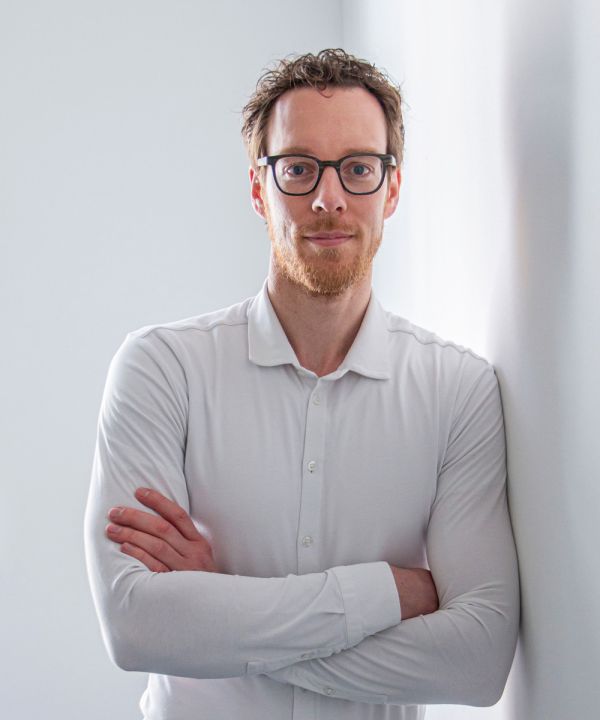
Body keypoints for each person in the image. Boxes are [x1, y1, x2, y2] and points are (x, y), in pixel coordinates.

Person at [84, 48, 520, 720]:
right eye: (297, 168)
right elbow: (136, 627)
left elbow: (477, 662)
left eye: (358, 168)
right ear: (259, 189)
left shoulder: (458, 390)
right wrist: (387, 593)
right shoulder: (161, 368)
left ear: (392, 190)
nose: (328, 198)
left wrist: (219, 612)